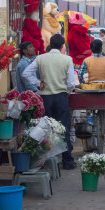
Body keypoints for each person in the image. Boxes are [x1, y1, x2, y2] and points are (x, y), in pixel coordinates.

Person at [22, 34, 76, 170]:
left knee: (45, 129)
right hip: (61, 97)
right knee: (63, 129)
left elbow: (26, 74)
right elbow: (71, 83)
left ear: (51, 45)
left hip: (45, 98)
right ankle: (67, 160)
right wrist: (66, 91)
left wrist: (37, 83)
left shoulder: (40, 58)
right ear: (62, 45)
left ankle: (44, 161)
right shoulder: (67, 59)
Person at [78, 39, 105, 146]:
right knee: (103, 113)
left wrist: (83, 83)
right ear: (101, 49)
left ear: (91, 48)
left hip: (90, 90)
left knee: (89, 114)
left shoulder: (87, 60)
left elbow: (80, 75)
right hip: (103, 91)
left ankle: (90, 141)